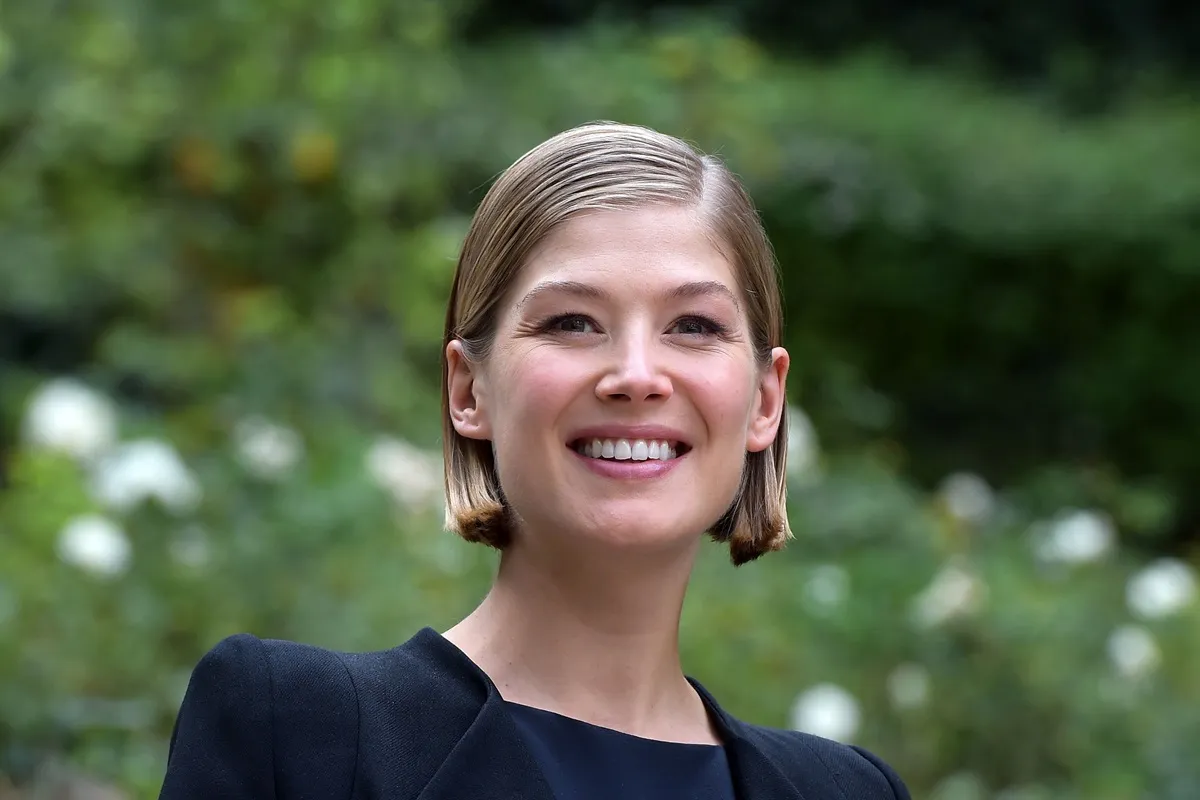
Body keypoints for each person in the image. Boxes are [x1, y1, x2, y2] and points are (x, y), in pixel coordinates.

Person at [158, 122, 911, 800]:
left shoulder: (847, 793)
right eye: (573, 322)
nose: (637, 375)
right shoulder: (298, 732)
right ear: (468, 390)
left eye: (693, 325)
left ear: (764, 401)